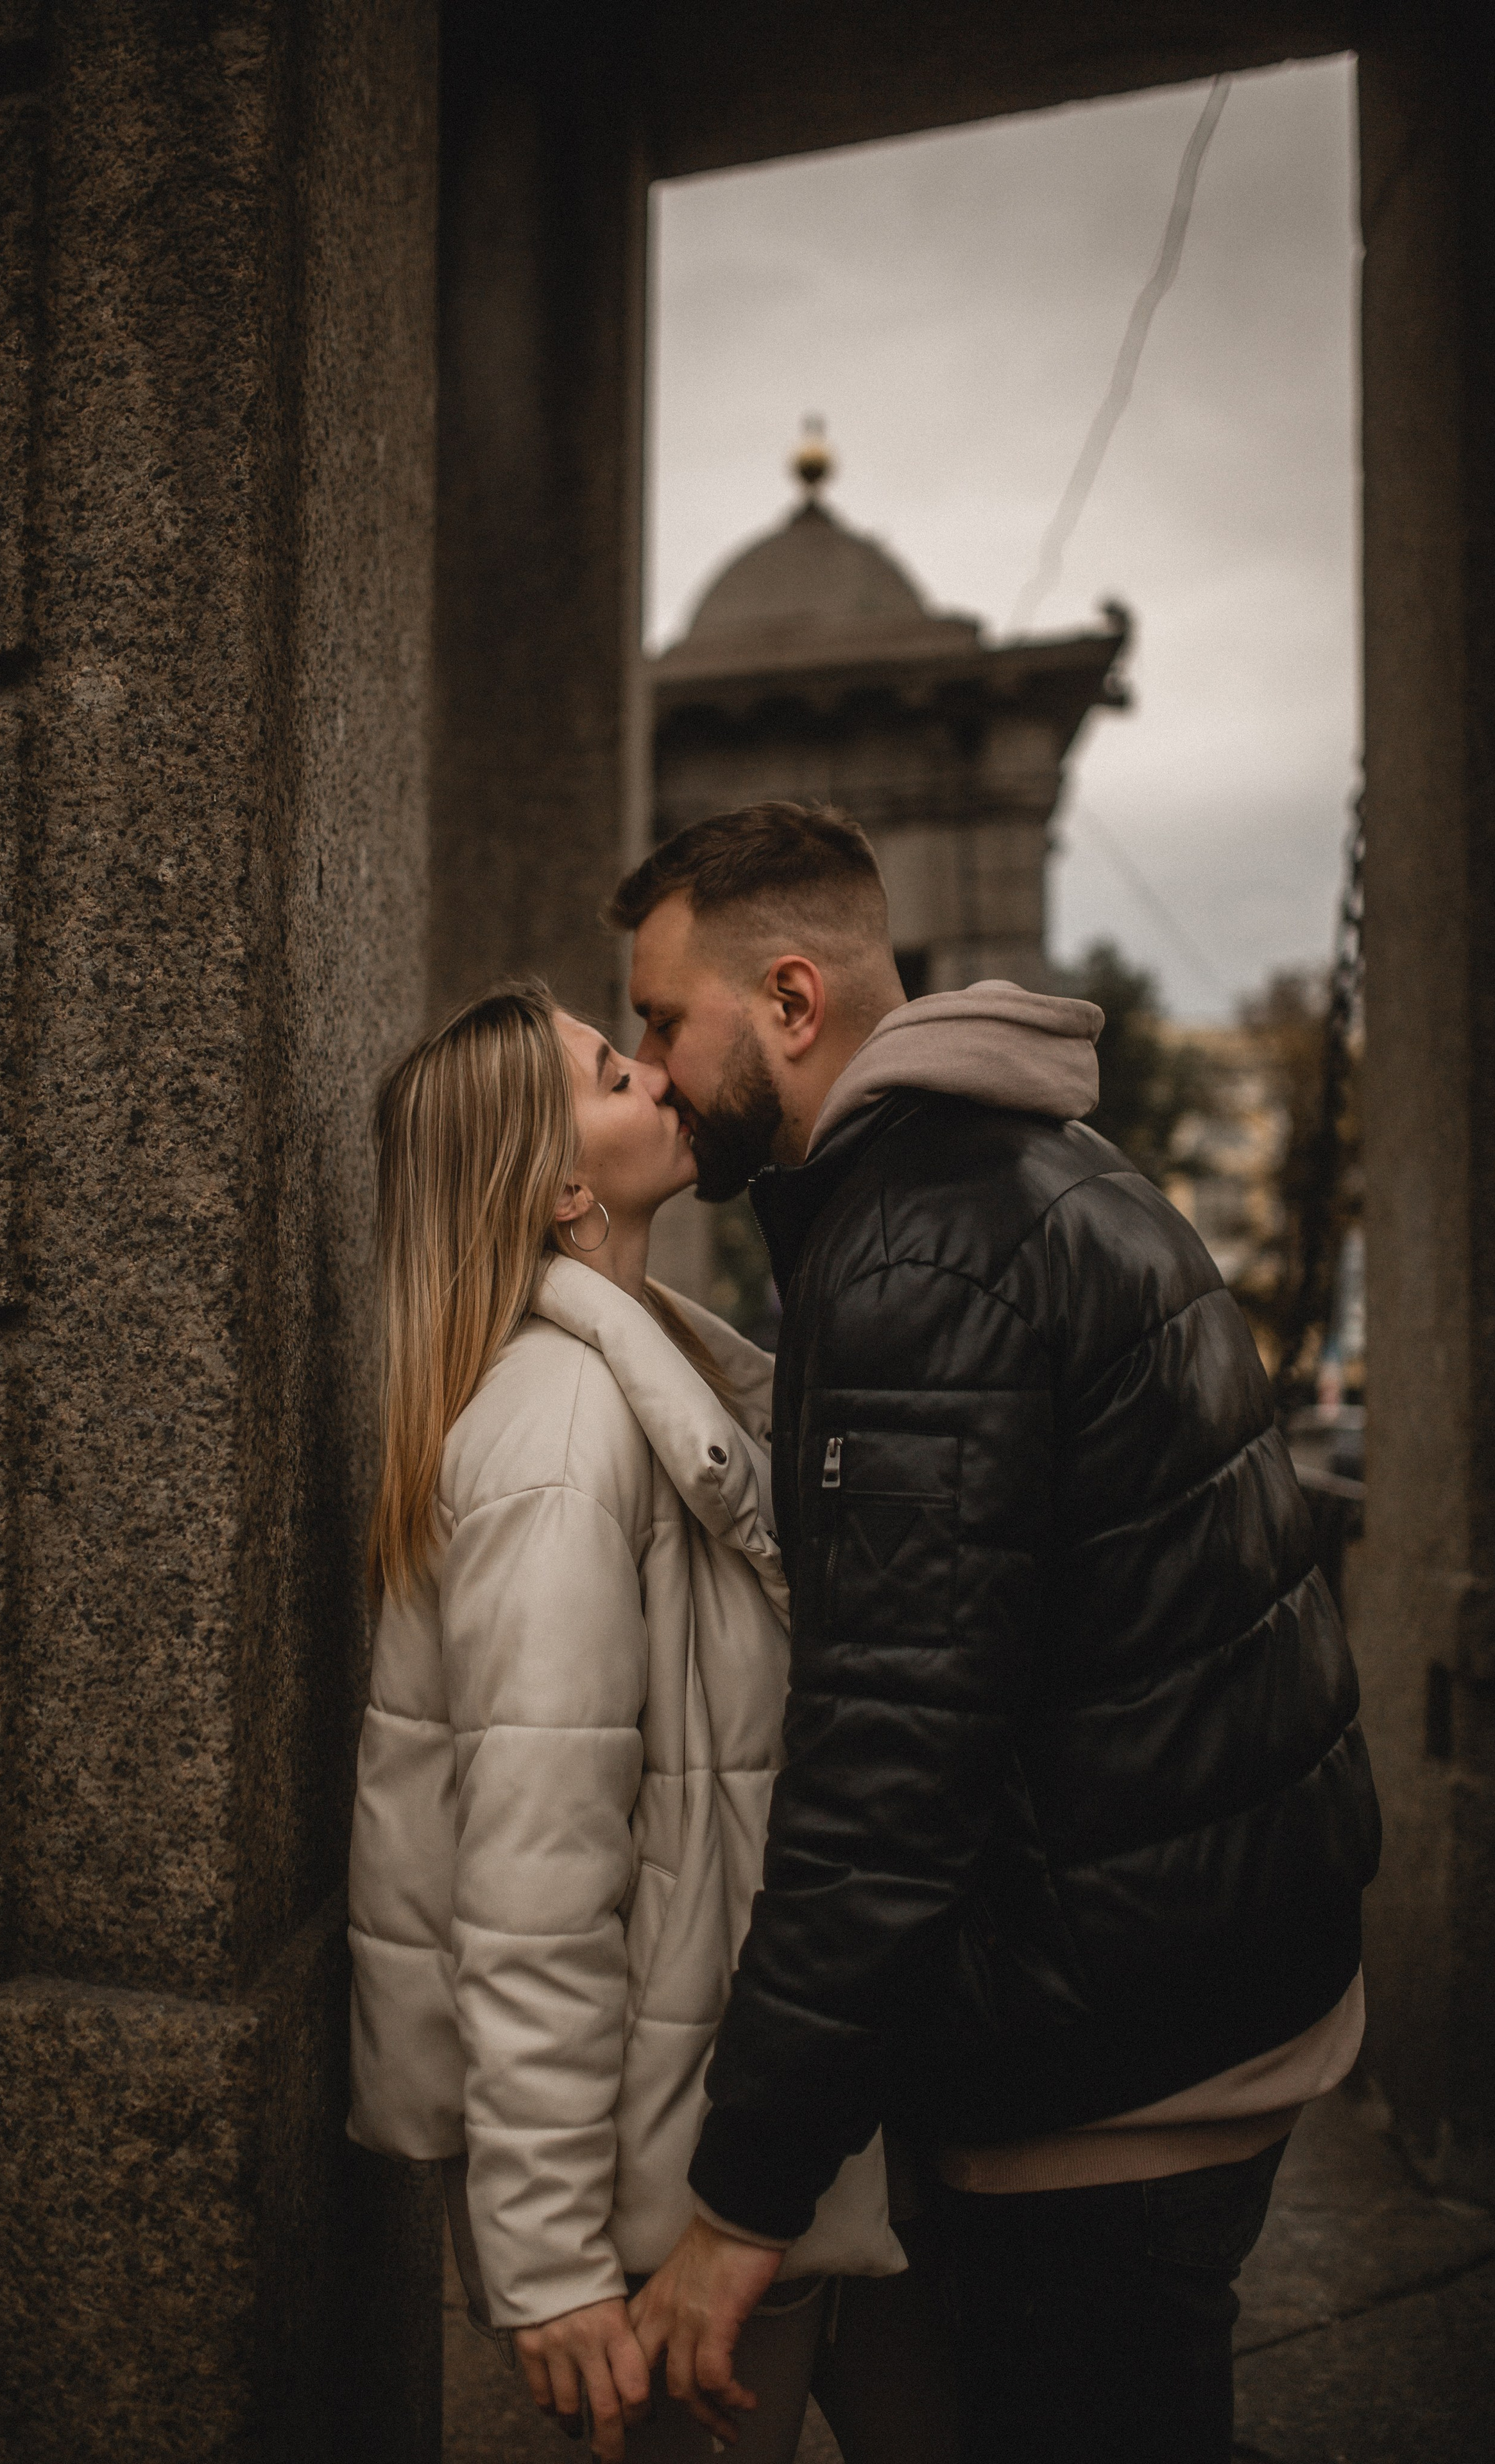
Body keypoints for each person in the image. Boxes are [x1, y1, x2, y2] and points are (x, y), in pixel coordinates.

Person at [611, 804, 1382, 2464]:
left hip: (1112, 2060)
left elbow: (887, 1761)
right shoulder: (1026, 1173)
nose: (652, 1067)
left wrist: (742, 2199)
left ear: (793, 1002)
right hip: (1209, 1965)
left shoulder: (917, 1257)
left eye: (664, 1019)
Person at [346, 982, 954, 2462]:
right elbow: (529, 1897)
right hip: (659, 2206)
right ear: (561, 1189)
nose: (666, 1084)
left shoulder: (644, 1382)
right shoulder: (560, 1444)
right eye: (619, 1077)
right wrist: (549, 2268)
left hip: (749, 2135)